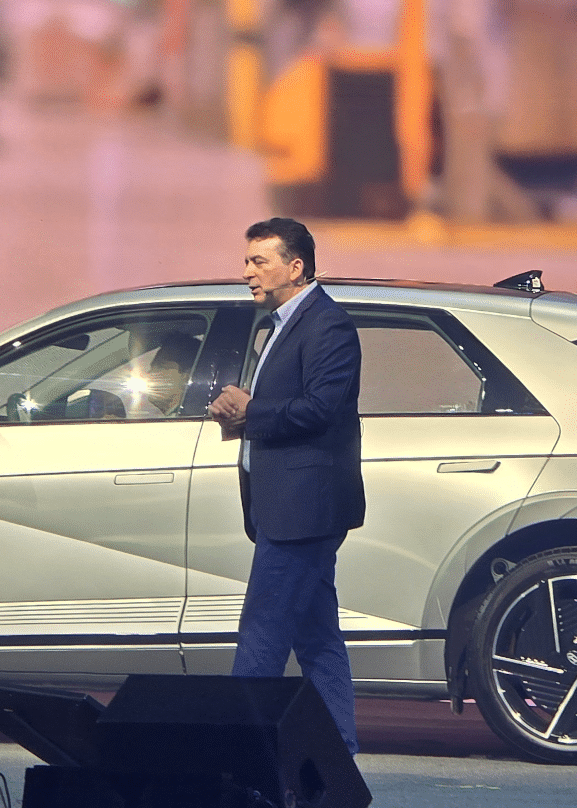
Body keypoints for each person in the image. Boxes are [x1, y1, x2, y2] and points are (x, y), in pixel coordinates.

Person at [208, 218, 365, 755]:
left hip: (304, 511)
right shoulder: (279, 324)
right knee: (317, 639)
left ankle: (236, 757)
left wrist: (254, 411)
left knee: (261, 638)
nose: (247, 272)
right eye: (247, 261)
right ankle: (340, 750)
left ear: (295, 267)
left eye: (259, 262)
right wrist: (241, 419)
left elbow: (322, 409)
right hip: (286, 507)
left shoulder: (328, 326)